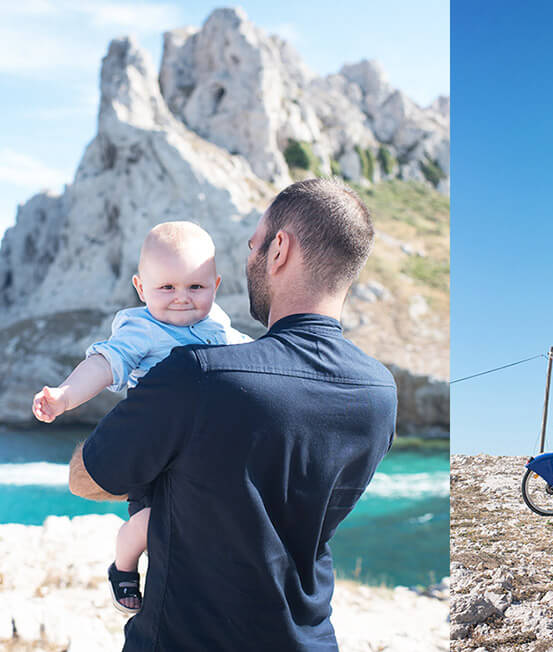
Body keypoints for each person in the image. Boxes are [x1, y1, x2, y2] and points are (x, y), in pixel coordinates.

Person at [68, 177, 397, 651]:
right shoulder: (380, 393)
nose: (249, 260)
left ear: (279, 249)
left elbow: (88, 477)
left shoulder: (199, 374)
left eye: (252, 245)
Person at [33, 221, 251, 614]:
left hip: (203, 450)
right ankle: (124, 566)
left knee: (205, 522)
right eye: (166, 287)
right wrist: (65, 397)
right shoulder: (142, 329)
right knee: (153, 520)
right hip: (157, 449)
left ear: (215, 285)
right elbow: (104, 364)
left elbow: (252, 357)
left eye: (195, 287)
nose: (182, 298)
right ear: (140, 287)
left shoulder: (218, 325)